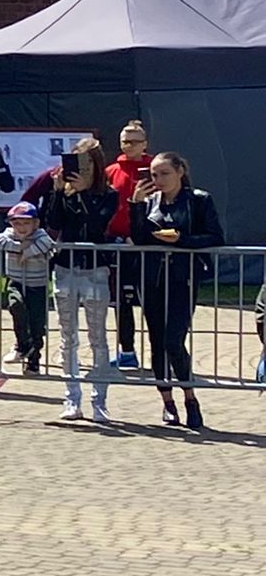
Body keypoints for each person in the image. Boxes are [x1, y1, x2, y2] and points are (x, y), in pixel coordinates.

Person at [131, 151, 224, 430]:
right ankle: (167, 403)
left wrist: (182, 240)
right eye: (154, 174)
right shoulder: (150, 202)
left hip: (183, 278)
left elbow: (215, 237)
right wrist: (135, 205)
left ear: (180, 171)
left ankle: (190, 398)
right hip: (152, 278)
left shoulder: (198, 200)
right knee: (157, 341)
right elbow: (138, 238)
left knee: (174, 340)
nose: (158, 180)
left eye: (164, 173)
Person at [37, 139, 118, 423]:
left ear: (96, 165)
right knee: (67, 336)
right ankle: (72, 398)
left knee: (98, 338)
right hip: (66, 267)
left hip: (95, 269)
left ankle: (100, 401)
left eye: (87, 163)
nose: (81, 170)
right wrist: (59, 192)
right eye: (76, 162)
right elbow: (53, 223)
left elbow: (99, 225)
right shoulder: (65, 193)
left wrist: (83, 193)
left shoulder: (108, 194)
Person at [105, 121, 152, 369]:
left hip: (149, 247)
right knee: (121, 301)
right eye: (125, 141)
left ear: (145, 144)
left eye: (135, 141)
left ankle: (162, 351)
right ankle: (127, 351)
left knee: (152, 300)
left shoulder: (157, 169)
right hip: (118, 246)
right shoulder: (111, 170)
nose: (129, 145)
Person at [0, 202, 57, 376]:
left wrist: (28, 252)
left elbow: (47, 245)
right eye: (17, 223)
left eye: (26, 223)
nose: (21, 228)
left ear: (36, 223)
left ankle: (33, 361)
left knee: (36, 323)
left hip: (38, 285)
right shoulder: (9, 234)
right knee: (15, 306)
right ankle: (22, 345)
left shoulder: (40, 235)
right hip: (16, 281)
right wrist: (20, 247)